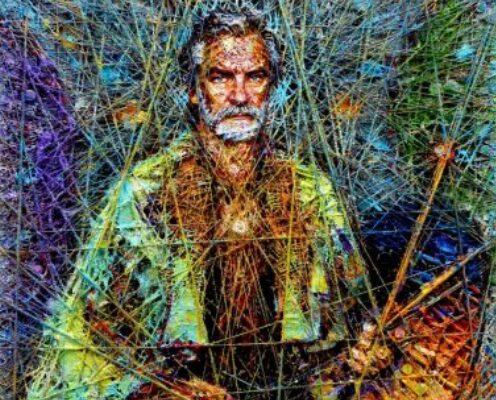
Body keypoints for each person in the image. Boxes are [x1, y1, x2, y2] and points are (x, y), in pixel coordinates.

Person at [27, 7, 483, 400]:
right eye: (221, 77)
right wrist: (164, 390)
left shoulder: (311, 192)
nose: (240, 95)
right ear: (194, 89)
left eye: (255, 77)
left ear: (273, 88)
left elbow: (346, 327)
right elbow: (88, 342)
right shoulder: (144, 193)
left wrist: (367, 350)